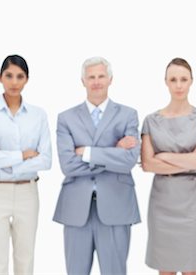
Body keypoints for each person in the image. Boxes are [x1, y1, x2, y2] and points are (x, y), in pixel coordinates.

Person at [53, 56, 140, 275]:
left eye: (101, 76)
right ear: (82, 81)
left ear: (110, 79)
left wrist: (88, 152)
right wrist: (114, 153)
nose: (96, 81)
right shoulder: (66, 118)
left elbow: (129, 161)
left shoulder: (128, 115)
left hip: (116, 204)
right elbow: (68, 165)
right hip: (76, 208)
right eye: (91, 77)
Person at [0, 54, 52, 274]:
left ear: (27, 79)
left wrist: (3, 156)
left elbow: (46, 160)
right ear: (0, 77)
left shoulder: (38, 115)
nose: (14, 82)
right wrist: (23, 155)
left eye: (20, 76)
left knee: (25, 258)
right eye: (9, 76)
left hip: (28, 192)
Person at [141, 58, 196, 275]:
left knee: (192, 268)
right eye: (173, 79)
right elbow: (147, 164)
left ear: (192, 81)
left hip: (193, 202)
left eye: (183, 79)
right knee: (165, 269)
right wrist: (187, 158)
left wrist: (163, 155)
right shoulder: (151, 120)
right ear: (165, 82)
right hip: (162, 201)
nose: (179, 85)